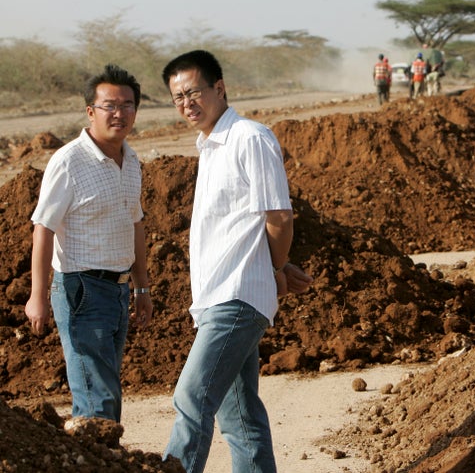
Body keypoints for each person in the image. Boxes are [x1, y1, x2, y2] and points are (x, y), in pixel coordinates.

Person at [160, 50, 313, 473]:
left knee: (192, 397)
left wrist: (276, 268)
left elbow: (279, 216)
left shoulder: (249, 137)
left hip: (238, 296)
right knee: (239, 417)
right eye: (177, 97)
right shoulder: (209, 146)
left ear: (219, 87)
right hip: (214, 298)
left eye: (193, 91)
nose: (187, 103)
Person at [24, 64, 153, 423]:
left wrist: (142, 287)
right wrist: (38, 295)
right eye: (109, 105)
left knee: (105, 390)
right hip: (81, 289)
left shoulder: (132, 160)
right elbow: (43, 228)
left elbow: (136, 225)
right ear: (90, 111)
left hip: (118, 290)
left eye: (127, 105)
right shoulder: (68, 161)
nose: (119, 113)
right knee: (98, 397)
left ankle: (96, 456)